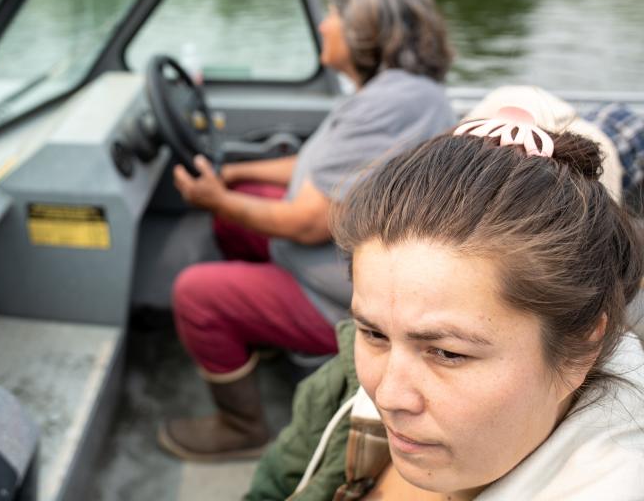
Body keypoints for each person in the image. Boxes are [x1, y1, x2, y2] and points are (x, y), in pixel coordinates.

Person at [247, 108, 644, 500]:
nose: (386, 395)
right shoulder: (347, 382)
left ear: (580, 351)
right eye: (373, 332)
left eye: (447, 353)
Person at [157, 0, 457, 462]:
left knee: (195, 294)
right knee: (234, 210)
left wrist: (213, 195)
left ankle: (242, 425)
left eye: (335, 11)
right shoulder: (398, 94)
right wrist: (235, 180)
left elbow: (306, 222)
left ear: (367, 27)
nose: (324, 23)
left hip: (349, 295)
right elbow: (322, 167)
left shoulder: (388, 105)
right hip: (353, 258)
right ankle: (262, 331)